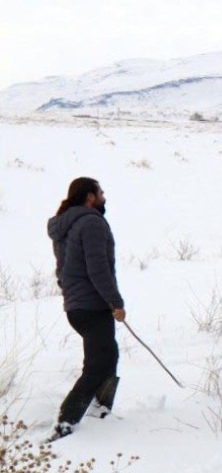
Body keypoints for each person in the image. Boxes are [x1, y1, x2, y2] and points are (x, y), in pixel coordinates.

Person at [46, 177, 125, 441]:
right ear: (90, 197)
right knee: (98, 363)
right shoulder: (91, 222)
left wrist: (71, 293)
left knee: (108, 353)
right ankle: (66, 421)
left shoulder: (64, 225)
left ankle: (101, 410)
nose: (104, 196)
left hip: (76, 306)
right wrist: (115, 301)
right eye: (101, 192)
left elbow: (62, 269)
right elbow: (97, 268)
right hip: (92, 305)